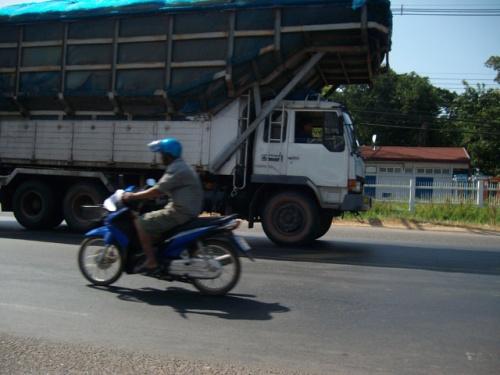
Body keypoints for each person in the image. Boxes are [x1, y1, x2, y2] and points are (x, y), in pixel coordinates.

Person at [122, 138, 203, 273]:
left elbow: (157, 190)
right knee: (156, 219)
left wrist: (133, 196)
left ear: (168, 155)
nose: (160, 158)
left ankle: (151, 261)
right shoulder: (182, 166)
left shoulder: (176, 168)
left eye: (161, 154)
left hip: (180, 212)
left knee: (141, 222)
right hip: (187, 209)